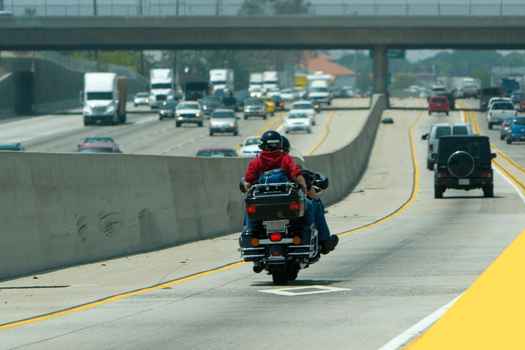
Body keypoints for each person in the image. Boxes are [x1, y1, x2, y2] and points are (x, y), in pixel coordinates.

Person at [281, 136, 338, 254]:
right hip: (288, 203)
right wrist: (305, 187)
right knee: (314, 204)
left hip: (264, 205)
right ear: (286, 149)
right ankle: (323, 240)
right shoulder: (287, 162)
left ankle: (248, 233)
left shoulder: (259, 163)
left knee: (249, 209)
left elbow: (247, 182)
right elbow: (299, 176)